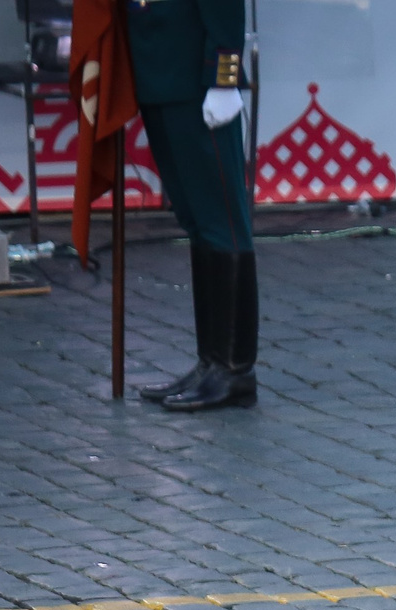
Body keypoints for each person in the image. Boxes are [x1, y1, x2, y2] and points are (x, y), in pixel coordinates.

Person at [125, 0, 259, 410]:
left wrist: (224, 80)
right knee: (197, 221)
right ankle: (211, 362)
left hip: (198, 83)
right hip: (159, 78)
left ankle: (235, 369)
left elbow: (225, 10)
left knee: (222, 222)